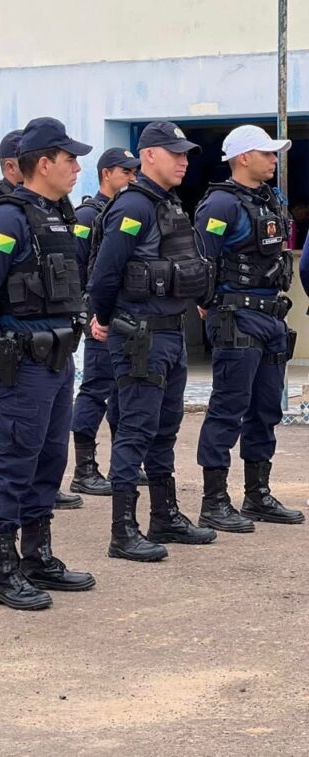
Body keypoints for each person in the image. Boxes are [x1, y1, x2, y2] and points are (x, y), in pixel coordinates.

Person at [0, 117, 97, 611]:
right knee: (13, 462)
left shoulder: (58, 214)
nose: (77, 168)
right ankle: (4, 573)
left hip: (58, 358)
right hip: (22, 360)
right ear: (43, 164)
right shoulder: (8, 218)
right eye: (69, 159)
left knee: (49, 459)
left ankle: (37, 556)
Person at [88, 122, 218, 562]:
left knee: (165, 428)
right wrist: (105, 319)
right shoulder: (133, 206)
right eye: (174, 153)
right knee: (135, 430)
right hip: (140, 335)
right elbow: (105, 274)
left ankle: (165, 515)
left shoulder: (168, 203)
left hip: (170, 332)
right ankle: (123, 530)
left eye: (185, 155)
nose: (183, 161)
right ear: (148, 156)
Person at [194, 125, 304, 530]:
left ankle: (258, 495)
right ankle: (214, 501)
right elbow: (202, 260)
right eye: (266, 153)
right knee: (228, 409)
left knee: (266, 409)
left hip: (271, 318)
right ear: (243, 158)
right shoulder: (220, 204)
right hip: (236, 318)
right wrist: (208, 303)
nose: (274, 160)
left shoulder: (268, 199)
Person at [70, 148, 140, 496]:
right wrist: (90, 315)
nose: (132, 178)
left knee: (123, 392)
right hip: (99, 318)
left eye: (135, 172)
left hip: (125, 318)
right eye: (126, 172)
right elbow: (78, 271)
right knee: (96, 389)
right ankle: (84, 469)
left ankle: (122, 464)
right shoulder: (87, 216)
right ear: (106, 173)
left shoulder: (130, 211)